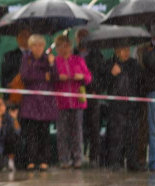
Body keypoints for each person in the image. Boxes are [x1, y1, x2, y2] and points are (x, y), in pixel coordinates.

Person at [98, 46, 142, 171]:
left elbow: (140, 83)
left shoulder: (134, 64)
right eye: (123, 50)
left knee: (133, 134)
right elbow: (101, 85)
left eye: (128, 50)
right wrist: (111, 74)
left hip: (132, 106)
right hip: (116, 107)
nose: (126, 53)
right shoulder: (109, 64)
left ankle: (132, 161)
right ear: (117, 51)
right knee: (116, 135)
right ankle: (115, 161)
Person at [52, 33, 91, 169]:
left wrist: (82, 76)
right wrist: (57, 77)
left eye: (67, 46)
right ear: (57, 49)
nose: (65, 50)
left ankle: (77, 158)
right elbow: (50, 78)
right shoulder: (55, 62)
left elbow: (88, 77)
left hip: (77, 101)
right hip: (61, 102)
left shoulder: (78, 60)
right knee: (62, 132)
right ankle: (64, 159)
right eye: (61, 47)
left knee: (77, 131)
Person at [19, 34, 57, 171]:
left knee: (44, 133)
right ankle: (31, 160)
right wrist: (42, 75)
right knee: (31, 133)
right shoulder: (26, 59)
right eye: (35, 45)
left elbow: (55, 77)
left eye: (41, 45)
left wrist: (52, 65)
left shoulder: (48, 59)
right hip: (30, 102)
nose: (38, 48)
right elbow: (25, 76)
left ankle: (44, 160)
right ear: (30, 46)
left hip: (45, 103)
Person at [75, 29, 105, 166]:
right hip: (76, 95)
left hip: (92, 95)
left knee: (94, 127)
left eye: (85, 37)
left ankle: (94, 157)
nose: (82, 40)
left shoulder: (97, 54)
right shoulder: (73, 53)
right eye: (80, 37)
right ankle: (77, 156)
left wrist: (95, 89)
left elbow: (100, 75)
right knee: (78, 127)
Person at [139, 34, 155, 171]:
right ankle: (153, 162)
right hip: (153, 91)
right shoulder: (147, 52)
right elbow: (151, 64)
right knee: (153, 130)